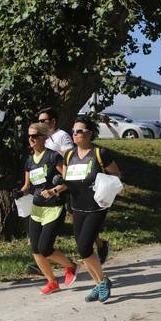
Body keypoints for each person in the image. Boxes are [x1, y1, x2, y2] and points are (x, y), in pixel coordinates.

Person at [54, 115, 121, 303]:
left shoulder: (100, 153)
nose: (75, 135)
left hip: (96, 207)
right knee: (82, 249)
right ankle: (98, 283)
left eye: (79, 131)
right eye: (73, 131)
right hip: (76, 207)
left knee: (84, 247)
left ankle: (104, 281)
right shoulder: (69, 155)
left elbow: (116, 175)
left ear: (89, 133)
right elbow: (66, 181)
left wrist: (104, 186)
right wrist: (56, 190)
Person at [38, 108, 110, 265]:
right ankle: (97, 246)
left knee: (83, 234)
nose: (41, 123)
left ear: (53, 121)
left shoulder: (62, 137)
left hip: (83, 190)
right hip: (63, 186)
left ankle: (96, 248)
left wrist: (62, 178)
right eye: (39, 121)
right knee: (80, 226)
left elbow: (69, 160)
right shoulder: (48, 138)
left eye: (44, 121)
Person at [16, 122, 78, 295]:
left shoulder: (53, 157)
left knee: (45, 248)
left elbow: (68, 180)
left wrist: (53, 190)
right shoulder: (29, 160)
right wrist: (20, 193)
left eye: (35, 136)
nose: (31, 139)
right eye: (29, 136)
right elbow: (28, 185)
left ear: (44, 137)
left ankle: (71, 266)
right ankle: (52, 281)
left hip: (54, 207)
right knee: (35, 249)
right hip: (37, 209)